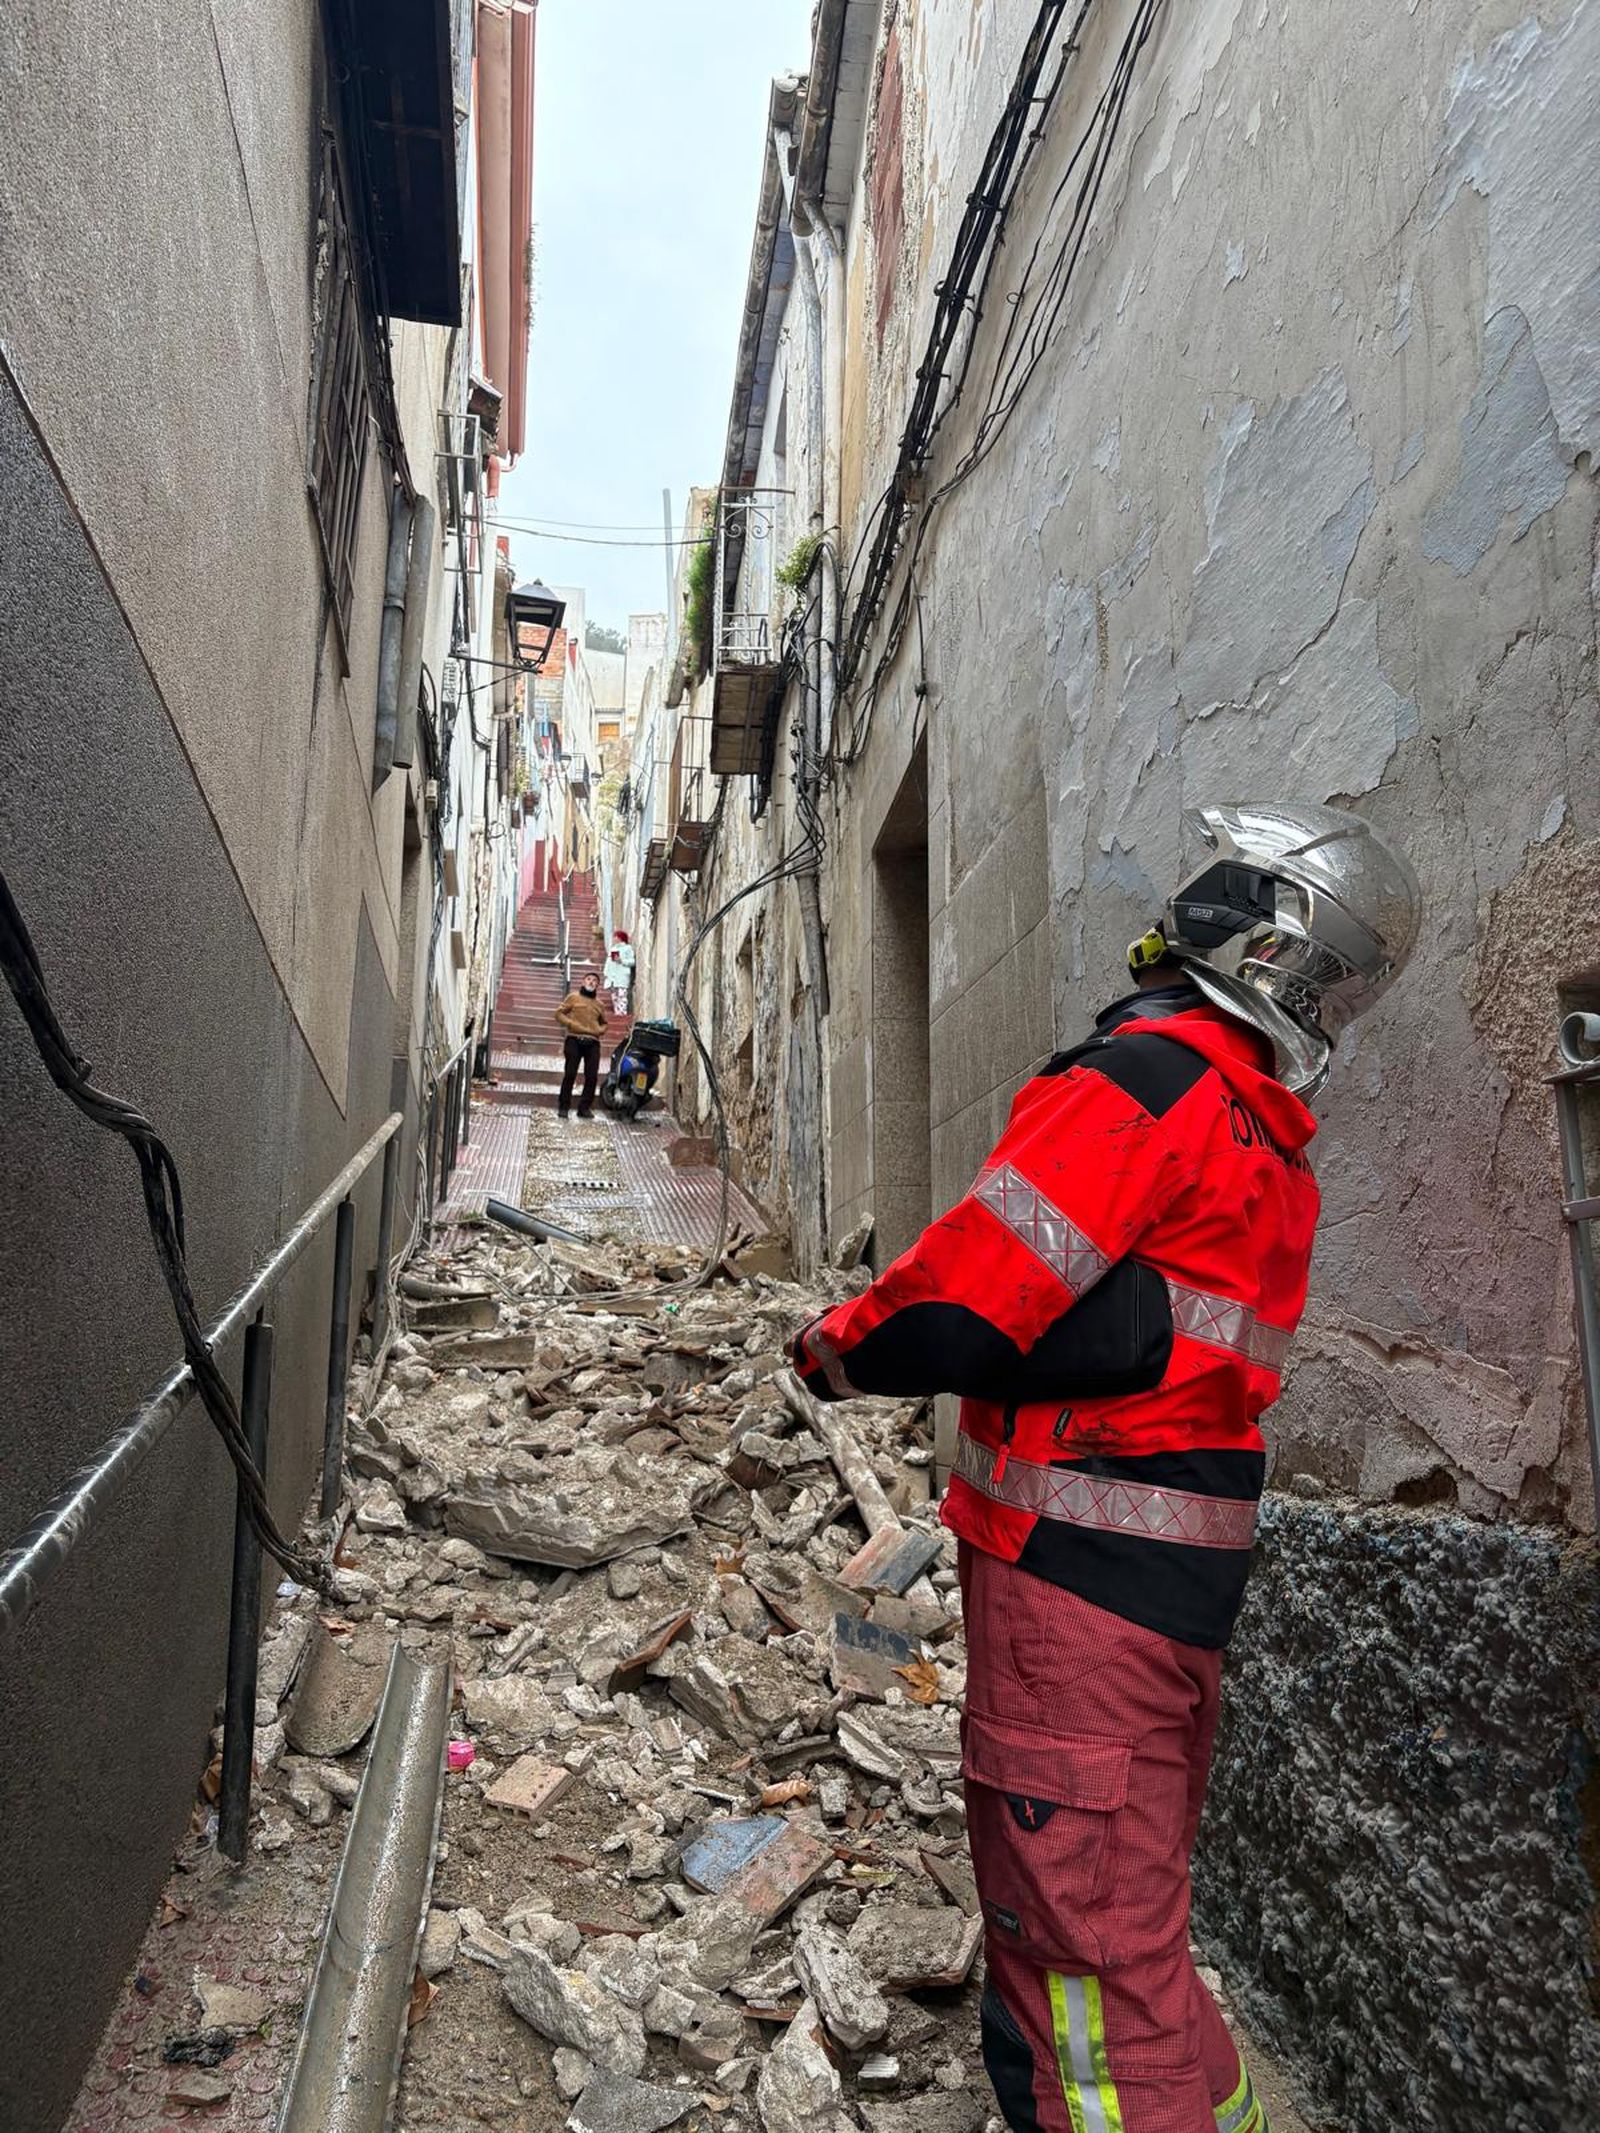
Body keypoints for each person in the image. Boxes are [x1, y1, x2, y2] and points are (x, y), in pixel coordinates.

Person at [791, 802, 1420, 2133]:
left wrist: (830, 1350)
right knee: (1134, 1912)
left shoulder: (1145, 1084)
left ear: (1237, 923)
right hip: (1172, 1595)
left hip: (1071, 1596)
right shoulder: (1263, 1138)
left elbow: (962, 1305)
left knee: (1086, 1957)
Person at [554, 970, 607, 1118]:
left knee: (592, 1076)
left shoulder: (600, 1005)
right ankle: (564, 1106)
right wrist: (571, 1023)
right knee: (570, 1073)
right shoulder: (573, 997)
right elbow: (558, 1014)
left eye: (595, 981)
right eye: (588, 979)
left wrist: (599, 1030)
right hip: (574, 1040)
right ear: (583, 982)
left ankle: (584, 1108)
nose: (591, 982)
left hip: (593, 1043)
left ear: (597, 985)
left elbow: (604, 1023)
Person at [603, 929, 636, 1015]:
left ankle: (622, 1013)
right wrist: (606, 973)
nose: (614, 939)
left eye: (616, 937)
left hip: (622, 976)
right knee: (615, 997)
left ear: (620, 938)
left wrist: (621, 960)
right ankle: (617, 1012)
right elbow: (609, 962)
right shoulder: (613, 949)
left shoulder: (627, 948)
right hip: (612, 977)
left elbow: (632, 961)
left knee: (622, 995)